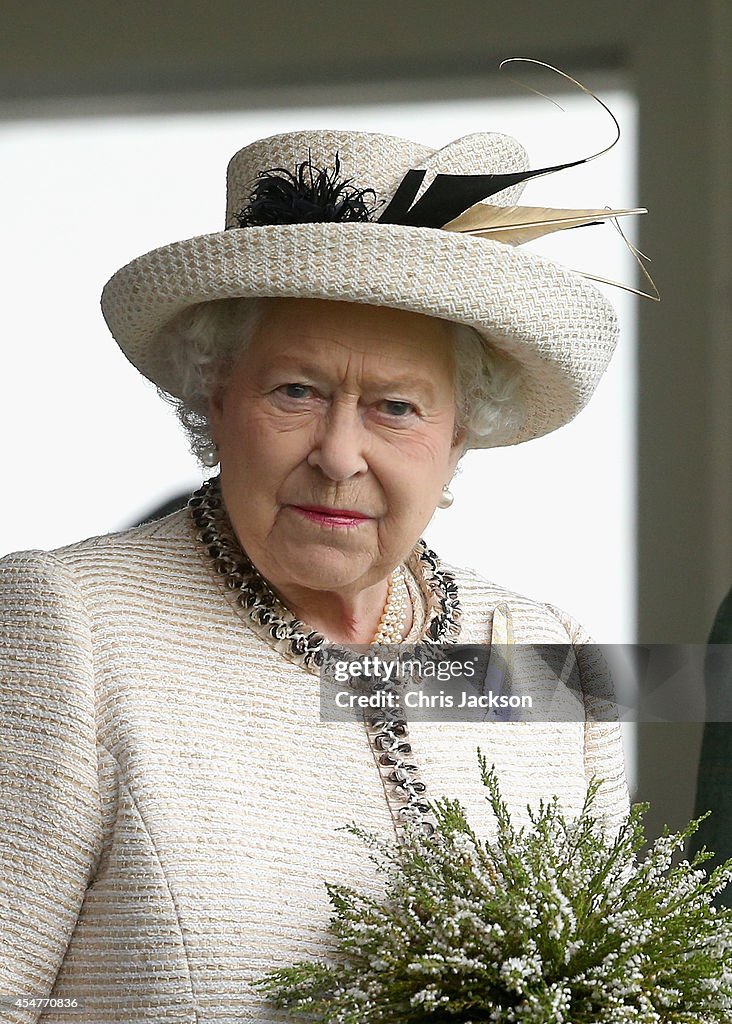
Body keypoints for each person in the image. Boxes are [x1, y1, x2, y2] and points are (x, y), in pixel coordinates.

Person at [0, 124, 631, 1020]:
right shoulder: (68, 624)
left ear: (458, 437)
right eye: (294, 390)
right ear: (214, 397)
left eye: (397, 408)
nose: (340, 455)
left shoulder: (547, 652)